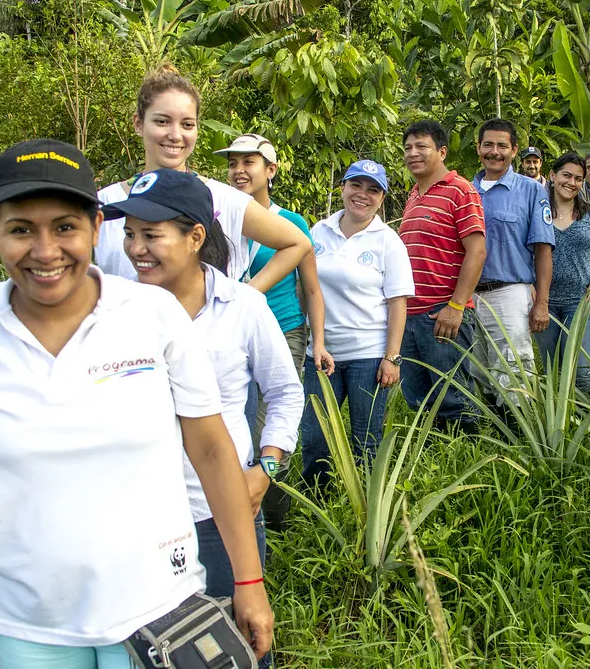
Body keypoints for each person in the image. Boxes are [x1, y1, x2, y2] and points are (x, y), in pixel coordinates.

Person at [0, 140, 272, 668]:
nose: (46, 251)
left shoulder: (151, 315)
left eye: (65, 227)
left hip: (157, 608)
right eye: (21, 228)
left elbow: (211, 447)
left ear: (97, 227)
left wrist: (248, 581)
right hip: (29, 621)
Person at [106, 169, 300, 669]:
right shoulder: (114, 312)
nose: (135, 249)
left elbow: (284, 392)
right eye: (129, 234)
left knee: (238, 646)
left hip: (220, 513)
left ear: (196, 237)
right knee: (158, 650)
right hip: (141, 519)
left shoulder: (244, 308)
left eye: (151, 235)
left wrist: (267, 467)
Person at [95, 64, 311, 290]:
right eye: (162, 121)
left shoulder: (225, 199)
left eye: (187, 124)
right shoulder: (107, 203)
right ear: (138, 124)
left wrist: (241, 301)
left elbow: (297, 242)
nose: (175, 135)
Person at [214, 133, 333, 531]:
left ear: (271, 170)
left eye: (249, 162)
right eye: (233, 163)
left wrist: (318, 341)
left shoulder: (292, 224)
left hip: (281, 330)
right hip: (229, 333)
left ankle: (271, 517)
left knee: (270, 424)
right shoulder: (218, 218)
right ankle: (231, 511)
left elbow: (312, 290)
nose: (238, 170)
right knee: (235, 420)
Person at [300, 160, 414, 490]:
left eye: (372, 189)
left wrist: (392, 357)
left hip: (368, 356)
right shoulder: (318, 231)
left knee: (365, 437)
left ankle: (365, 505)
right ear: (343, 187)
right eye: (356, 185)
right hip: (320, 353)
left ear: (381, 198)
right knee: (315, 437)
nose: (362, 195)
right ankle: (315, 503)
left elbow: (398, 303)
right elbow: (305, 287)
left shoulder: (387, 241)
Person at [399, 120, 486, 431]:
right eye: (408, 148)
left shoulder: (460, 190)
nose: (413, 153)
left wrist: (457, 306)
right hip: (409, 315)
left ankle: (469, 458)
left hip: (442, 313)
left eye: (421, 146)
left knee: (454, 399)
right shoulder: (413, 195)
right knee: (418, 398)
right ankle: (433, 462)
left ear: (442, 151)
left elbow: (476, 251)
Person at [471, 119, 555, 405]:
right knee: (476, 368)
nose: (495, 152)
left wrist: (541, 303)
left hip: (509, 292)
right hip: (467, 296)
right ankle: (487, 432)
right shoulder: (464, 191)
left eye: (502, 146)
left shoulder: (530, 191)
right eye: (488, 145)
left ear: (514, 150)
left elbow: (543, 250)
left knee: (514, 369)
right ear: (478, 147)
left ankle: (520, 437)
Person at [535, 154, 590, 393]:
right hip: (544, 303)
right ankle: (553, 422)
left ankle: (585, 422)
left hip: (582, 302)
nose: (571, 182)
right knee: (550, 370)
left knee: (579, 371)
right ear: (552, 175)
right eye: (566, 175)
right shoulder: (536, 212)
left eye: (578, 178)